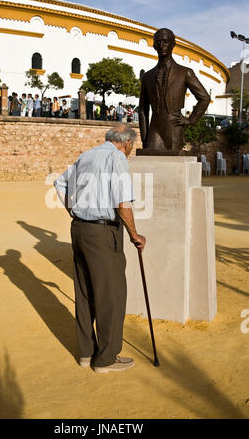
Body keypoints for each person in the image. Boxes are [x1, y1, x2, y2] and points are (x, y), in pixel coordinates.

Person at [54, 125, 146, 373]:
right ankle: (105, 359)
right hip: (103, 232)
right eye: (131, 147)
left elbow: (60, 183)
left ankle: (86, 353)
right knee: (111, 295)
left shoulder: (88, 155)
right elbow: (122, 202)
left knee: (84, 293)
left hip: (79, 229)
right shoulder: (116, 158)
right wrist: (134, 234)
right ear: (126, 144)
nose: (130, 151)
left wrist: (73, 211)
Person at [139, 28, 210, 152]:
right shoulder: (148, 76)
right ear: (154, 46)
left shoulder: (184, 72)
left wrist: (191, 120)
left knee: (173, 164)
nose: (162, 45)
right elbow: (142, 109)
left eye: (165, 42)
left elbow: (204, 98)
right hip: (154, 127)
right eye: (158, 42)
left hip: (174, 125)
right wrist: (145, 138)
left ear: (173, 44)